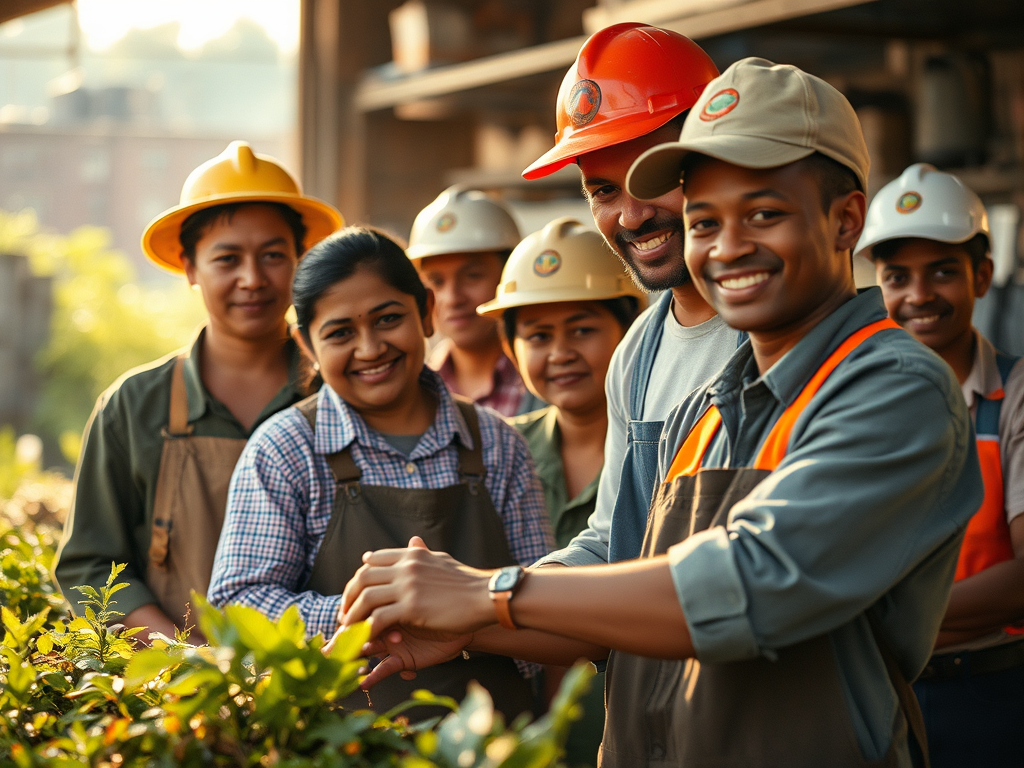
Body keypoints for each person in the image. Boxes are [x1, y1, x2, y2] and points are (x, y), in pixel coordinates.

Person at [334, 59, 984, 767]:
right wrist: (464, 625)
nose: (729, 247)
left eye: (763, 214)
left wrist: (490, 595)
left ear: (845, 220)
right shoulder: (709, 402)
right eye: (705, 221)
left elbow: (750, 583)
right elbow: (617, 572)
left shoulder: (895, 386)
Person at [207, 226, 554, 720]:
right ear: (307, 343)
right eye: (340, 332)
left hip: (496, 744)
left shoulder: (496, 445)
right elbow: (239, 606)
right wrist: (375, 617)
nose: (370, 349)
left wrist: (465, 616)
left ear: (427, 313)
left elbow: (544, 603)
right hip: (339, 745)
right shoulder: (285, 449)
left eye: (388, 319)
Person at [54, 141, 343, 642]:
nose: (252, 278)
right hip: (174, 698)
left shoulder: (342, 396)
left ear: (301, 259)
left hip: (327, 686)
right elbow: (91, 567)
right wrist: (180, 657)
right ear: (189, 267)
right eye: (227, 259)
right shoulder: (132, 407)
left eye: (273, 255)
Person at [523, 22, 740, 565]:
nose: (632, 215)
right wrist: (486, 597)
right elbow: (610, 546)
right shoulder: (636, 356)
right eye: (603, 191)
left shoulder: (790, 334)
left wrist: (497, 603)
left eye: (652, 177)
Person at [858, 163, 1024, 768]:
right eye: (898, 276)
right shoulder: (849, 406)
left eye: (943, 272)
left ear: (982, 276)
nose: (919, 296)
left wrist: (870, 618)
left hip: (994, 700)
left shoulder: (1015, 397)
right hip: (875, 698)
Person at [479, 217, 645, 765]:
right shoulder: (494, 454)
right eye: (538, 336)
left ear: (631, 331)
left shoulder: (664, 452)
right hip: (515, 737)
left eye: (582, 329)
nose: (560, 353)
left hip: (632, 729)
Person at [407, 186, 543, 417]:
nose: (452, 298)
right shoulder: (411, 388)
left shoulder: (550, 379)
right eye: (436, 281)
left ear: (509, 274)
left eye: (472, 276)